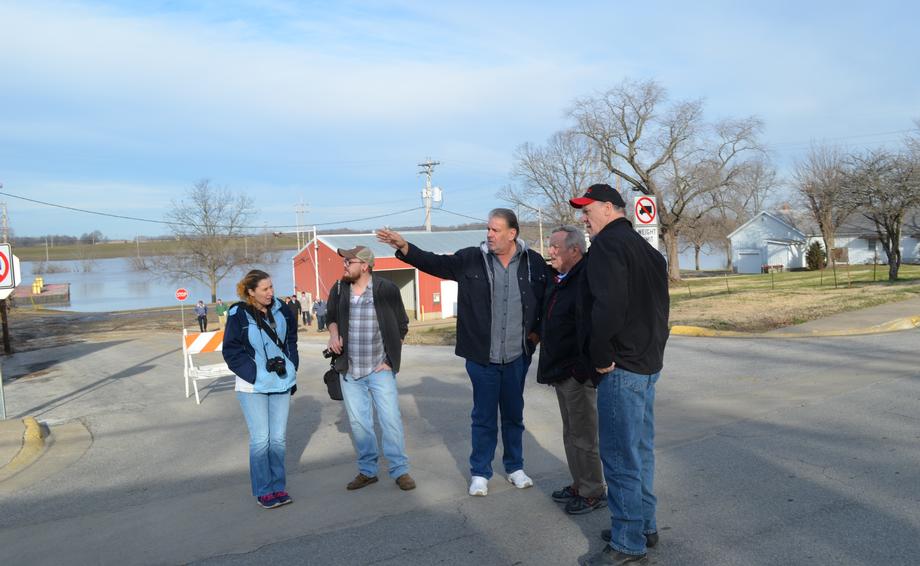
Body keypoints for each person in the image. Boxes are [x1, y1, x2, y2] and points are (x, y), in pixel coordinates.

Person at [377, 208, 548, 496]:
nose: (489, 234)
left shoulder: (533, 262)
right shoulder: (471, 259)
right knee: (483, 417)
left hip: (517, 356)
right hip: (483, 358)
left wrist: (537, 334)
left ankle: (515, 467)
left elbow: (545, 300)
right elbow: (434, 263)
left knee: (513, 415)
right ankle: (480, 472)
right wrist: (405, 247)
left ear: (512, 233)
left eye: (495, 230)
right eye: (488, 229)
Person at [570, 184, 669, 566]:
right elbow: (660, 310)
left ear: (609, 208)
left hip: (623, 368)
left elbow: (608, 308)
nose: (584, 217)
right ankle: (644, 526)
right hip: (646, 365)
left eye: (587, 210)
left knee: (619, 457)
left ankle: (629, 544)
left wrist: (600, 356)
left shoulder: (608, 247)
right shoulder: (646, 250)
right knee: (639, 452)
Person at [325, 246, 415, 492]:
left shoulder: (386, 289)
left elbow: (402, 325)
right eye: (344, 261)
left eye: (349, 262)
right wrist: (333, 335)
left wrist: (389, 360)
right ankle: (368, 471)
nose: (344, 265)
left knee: (390, 420)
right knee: (360, 423)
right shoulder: (339, 288)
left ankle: (400, 470)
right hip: (350, 370)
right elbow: (330, 316)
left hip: (380, 368)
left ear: (364, 265)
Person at [537, 225, 606, 516]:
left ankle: (593, 491)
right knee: (570, 433)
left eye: (555, 247)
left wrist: (581, 369)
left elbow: (591, 326)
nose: (549, 251)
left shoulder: (586, 279)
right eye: (550, 246)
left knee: (584, 436)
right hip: (560, 371)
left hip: (577, 372)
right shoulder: (561, 278)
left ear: (574, 250)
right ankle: (579, 484)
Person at [222, 269, 299, 510]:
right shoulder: (238, 314)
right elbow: (231, 351)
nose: (270, 292)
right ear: (251, 291)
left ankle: (278, 487)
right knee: (261, 440)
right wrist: (254, 374)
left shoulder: (283, 309)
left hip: (281, 382)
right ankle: (264, 491)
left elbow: (291, 341)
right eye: (264, 289)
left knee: (278, 439)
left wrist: (292, 365)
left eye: (271, 287)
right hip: (252, 386)